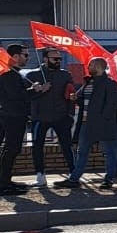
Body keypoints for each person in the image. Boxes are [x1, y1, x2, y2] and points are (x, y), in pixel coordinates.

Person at [55, 58, 117, 189]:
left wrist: (103, 119)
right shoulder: (88, 83)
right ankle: (74, 179)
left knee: (109, 152)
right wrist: (75, 98)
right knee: (82, 152)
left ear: (99, 67)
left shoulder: (110, 84)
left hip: (103, 124)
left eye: (91, 65)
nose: (88, 67)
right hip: (86, 123)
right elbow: (84, 102)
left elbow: (112, 105)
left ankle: (109, 179)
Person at [0, 44, 44, 195]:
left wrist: (34, 91)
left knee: (13, 149)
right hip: (12, 116)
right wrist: (34, 90)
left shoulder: (14, 73)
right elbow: (17, 96)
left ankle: (7, 181)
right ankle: (4, 185)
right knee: (11, 149)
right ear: (15, 56)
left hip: (16, 115)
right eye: (25, 55)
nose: (27, 58)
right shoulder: (8, 74)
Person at [27, 48, 77, 187]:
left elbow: (71, 93)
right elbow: (26, 96)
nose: (58, 61)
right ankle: (40, 174)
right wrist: (39, 90)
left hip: (61, 116)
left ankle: (74, 173)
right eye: (55, 59)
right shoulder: (33, 75)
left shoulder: (65, 75)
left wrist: (70, 114)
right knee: (37, 146)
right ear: (45, 59)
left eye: (60, 59)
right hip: (40, 117)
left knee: (67, 145)